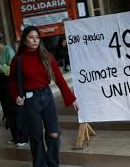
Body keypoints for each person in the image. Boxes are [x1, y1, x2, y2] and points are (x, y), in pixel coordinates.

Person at [9, 26, 78, 167]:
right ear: (24, 41)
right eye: (31, 37)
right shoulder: (18, 60)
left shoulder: (47, 56)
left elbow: (59, 79)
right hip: (30, 100)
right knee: (36, 137)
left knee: (54, 133)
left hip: (47, 96)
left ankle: (53, 163)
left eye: (37, 37)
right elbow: (12, 81)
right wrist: (15, 95)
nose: (35, 40)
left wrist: (71, 98)